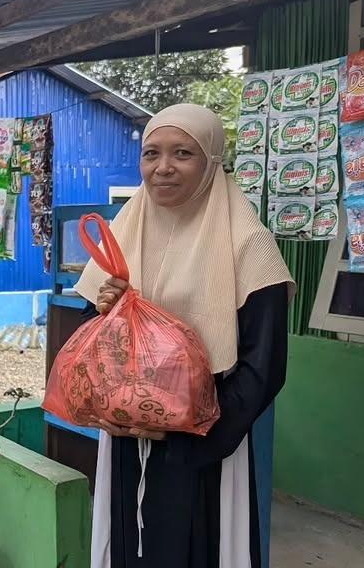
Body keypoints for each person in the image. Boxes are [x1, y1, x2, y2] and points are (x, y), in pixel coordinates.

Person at [73, 104, 294, 568]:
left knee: (198, 549)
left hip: (203, 442)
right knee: (128, 548)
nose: (163, 167)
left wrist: (192, 434)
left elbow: (264, 366)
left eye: (183, 153)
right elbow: (91, 334)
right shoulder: (126, 230)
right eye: (151, 153)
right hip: (128, 434)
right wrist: (107, 311)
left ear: (212, 161)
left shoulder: (248, 244)